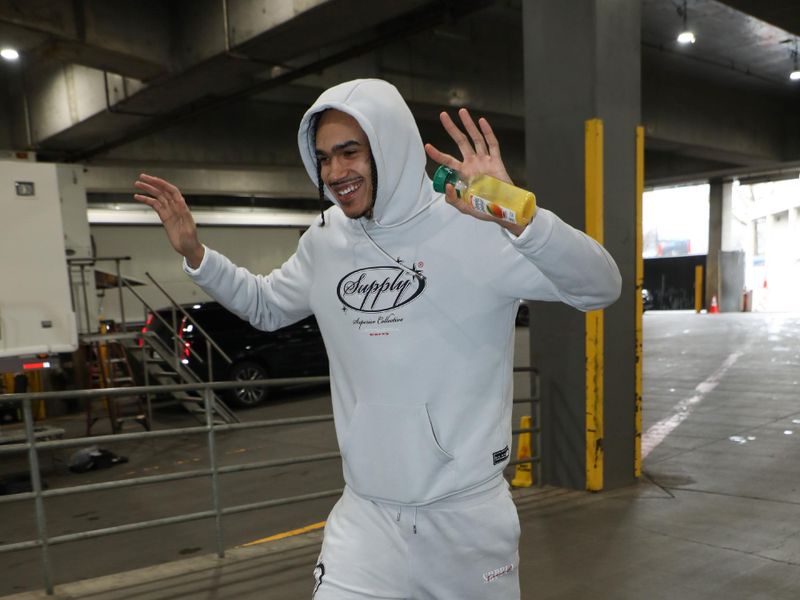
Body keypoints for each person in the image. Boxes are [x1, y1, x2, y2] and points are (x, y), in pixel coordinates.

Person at [134, 78, 621, 599]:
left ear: (391, 145)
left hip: (467, 523)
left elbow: (600, 287)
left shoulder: (476, 226)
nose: (335, 173)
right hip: (365, 518)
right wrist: (196, 256)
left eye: (350, 152)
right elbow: (265, 305)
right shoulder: (325, 241)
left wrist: (518, 213)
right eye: (323, 158)